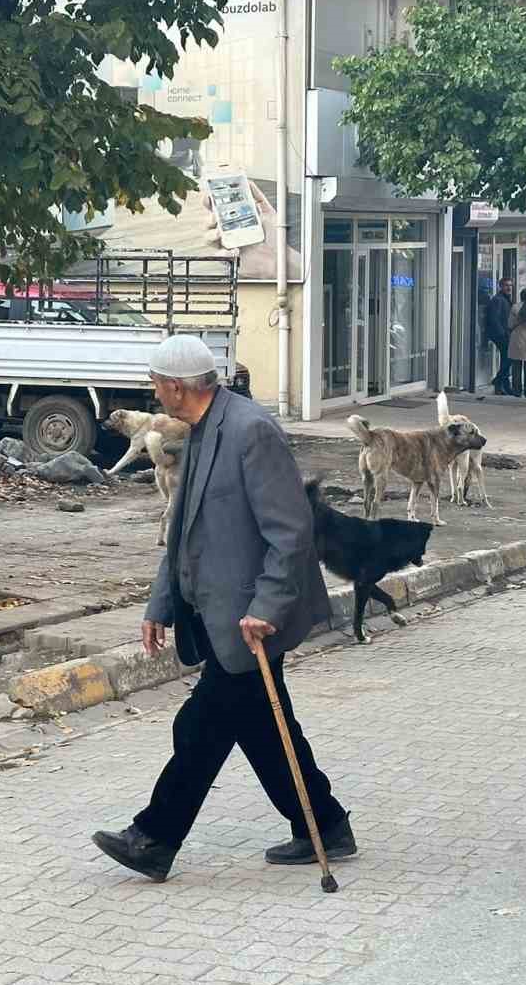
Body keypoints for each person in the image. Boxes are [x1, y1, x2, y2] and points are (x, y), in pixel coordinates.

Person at [91, 335, 353, 883]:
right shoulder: (201, 429)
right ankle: (324, 825)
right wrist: (159, 603)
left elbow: (291, 530)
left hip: (248, 618)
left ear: (177, 387)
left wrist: (267, 607)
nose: (155, 391)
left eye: (157, 383)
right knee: (261, 726)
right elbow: (184, 528)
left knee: (201, 726)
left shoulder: (250, 430)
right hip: (215, 612)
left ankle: (155, 838)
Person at [484, 277, 514, 395]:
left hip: (504, 334)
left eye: (510, 285)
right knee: (509, 358)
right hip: (500, 335)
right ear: (500, 286)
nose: (509, 288)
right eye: (506, 285)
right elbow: (494, 319)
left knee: (506, 359)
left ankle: (502, 386)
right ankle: (498, 381)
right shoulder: (498, 299)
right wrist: (502, 334)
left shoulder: (506, 299)